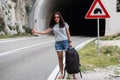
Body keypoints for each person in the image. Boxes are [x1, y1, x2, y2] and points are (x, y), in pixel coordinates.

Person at [32, 12, 77, 79]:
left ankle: (74, 74)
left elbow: (68, 34)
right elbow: (45, 32)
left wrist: (70, 41)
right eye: (55, 17)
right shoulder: (53, 26)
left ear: (60, 17)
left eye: (57, 17)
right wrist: (36, 32)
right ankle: (61, 74)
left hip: (65, 42)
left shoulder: (65, 24)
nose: (56, 18)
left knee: (70, 58)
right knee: (60, 60)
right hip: (58, 44)